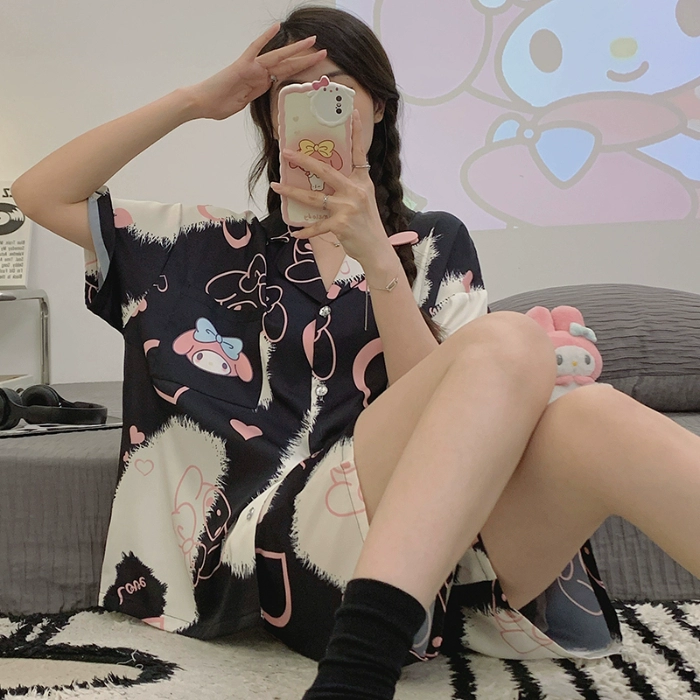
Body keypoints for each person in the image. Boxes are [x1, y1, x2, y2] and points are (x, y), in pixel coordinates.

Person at [10, 6, 700, 699]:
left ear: (378, 106)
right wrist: (198, 100)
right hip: (284, 552)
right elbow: (38, 194)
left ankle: (358, 668)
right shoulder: (204, 245)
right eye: (291, 93)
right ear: (270, 118)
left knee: (595, 416)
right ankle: (357, 673)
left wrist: (378, 259)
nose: (317, 103)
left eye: (336, 88)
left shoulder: (435, 243)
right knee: (511, 339)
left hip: (450, 567)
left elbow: (458, 429)